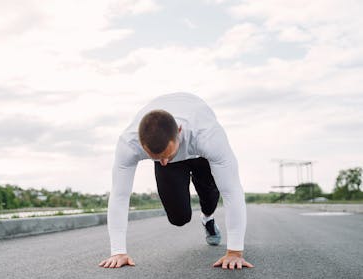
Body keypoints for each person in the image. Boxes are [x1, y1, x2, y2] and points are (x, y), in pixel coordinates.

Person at [98, 92, 254, 270]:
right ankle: (165, 158)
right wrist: (118, 251)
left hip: (200, 154)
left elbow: (232, 190)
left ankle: (208, 218)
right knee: (179, 218)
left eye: (167, 155)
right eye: (156, 158)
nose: (163, 162)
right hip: (171, 151)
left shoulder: (208, 136)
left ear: (179, 131)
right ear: (140, 144)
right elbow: (119, 195)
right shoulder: (129, 143)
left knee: (210, 196)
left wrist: (235, 253)